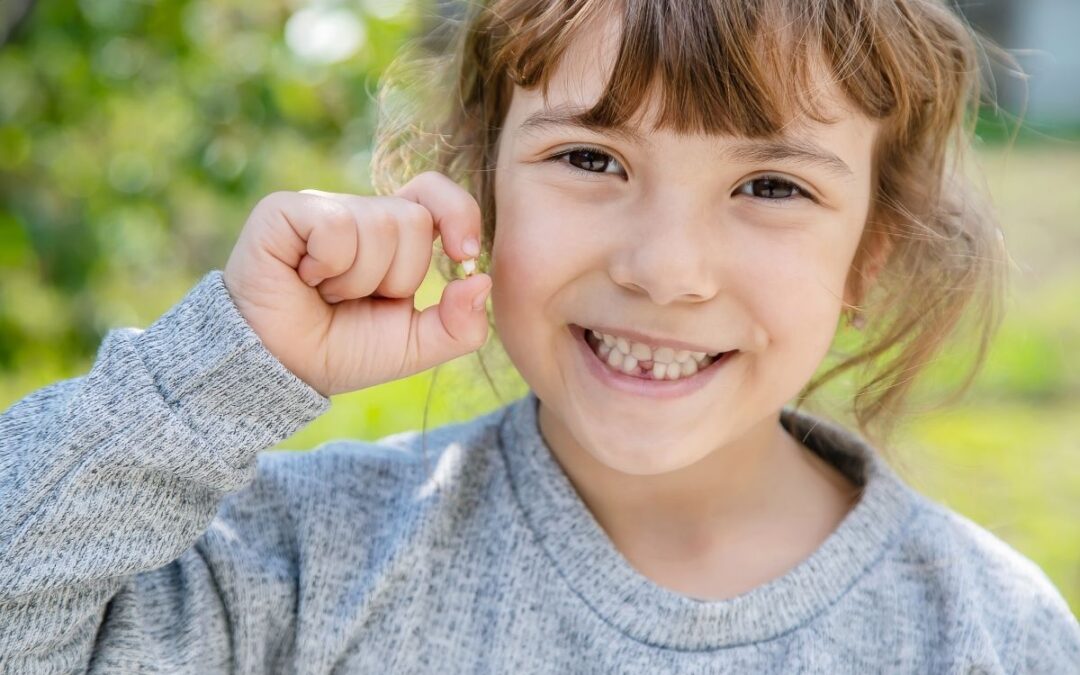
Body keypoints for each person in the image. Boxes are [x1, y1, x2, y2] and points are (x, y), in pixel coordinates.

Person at [2, 0, 1078, 672]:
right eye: (591, 161)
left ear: (871, 253)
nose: (664, 269)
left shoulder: (984, 633)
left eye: (770, 184)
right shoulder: (303, 566)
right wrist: (225, 370)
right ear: (480, 185)